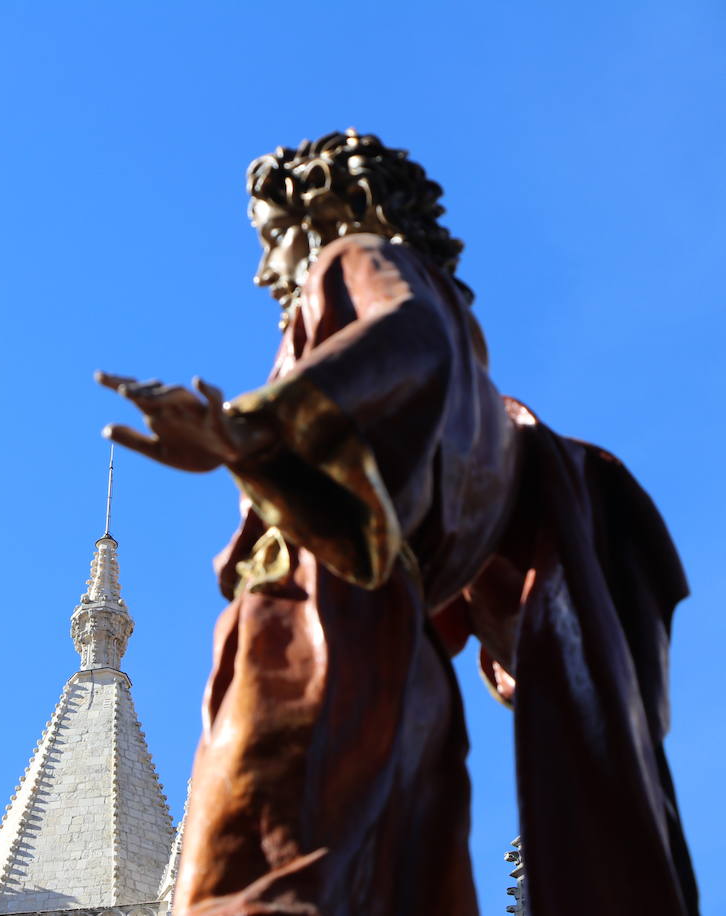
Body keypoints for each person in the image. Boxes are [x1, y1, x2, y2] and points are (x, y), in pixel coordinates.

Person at [99, 130, 696, 916]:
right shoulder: (489, 417)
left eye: (275, 237)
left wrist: (248, 424)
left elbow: (405, 337)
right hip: (400, 671)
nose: (265, 267)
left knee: (252, 887)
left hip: (318, 636)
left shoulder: (351, 262)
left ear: (331, 209)